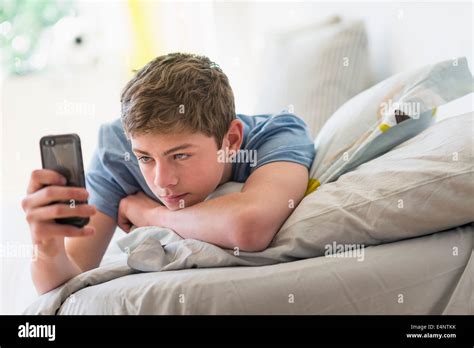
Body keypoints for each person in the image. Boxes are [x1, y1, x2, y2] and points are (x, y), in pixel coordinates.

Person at [22, 53, 315, 295]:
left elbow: (249, 227)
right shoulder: (116, 153)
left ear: (232, 141)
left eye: (181, 155)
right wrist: (45, 245)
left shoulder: (278, 135)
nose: (162, 182)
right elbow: (65, 280)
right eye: (145, 158)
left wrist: (149, 215)